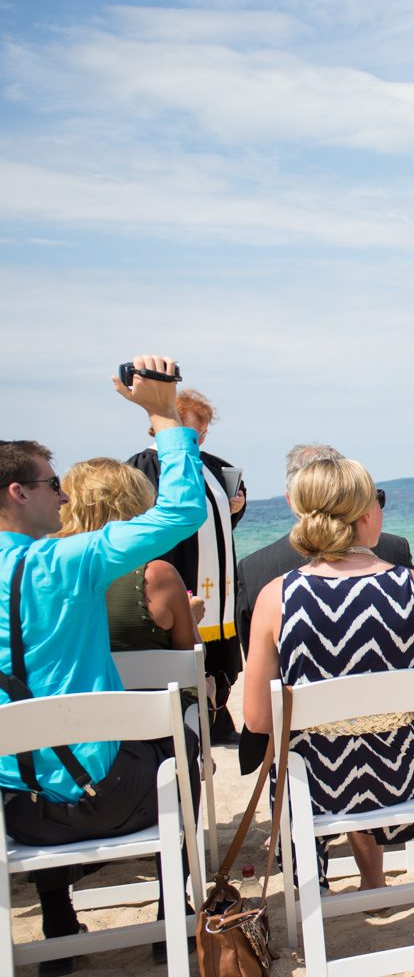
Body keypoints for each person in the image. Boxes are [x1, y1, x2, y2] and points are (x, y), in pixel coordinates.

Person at [2, 355, 205, 974]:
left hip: (18, 817)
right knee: (183, 753)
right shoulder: (60, 564)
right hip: (105, 796)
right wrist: (164, 415)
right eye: (50, 484)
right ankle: (174, 924)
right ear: (18, 492)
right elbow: (179, 514)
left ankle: (58, 921)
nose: (61, 495)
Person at [242, 457, 414, 890]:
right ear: (367, 514)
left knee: (296, 762)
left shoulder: (276, 597)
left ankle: (311, 889)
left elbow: (259, 721)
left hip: (313, 787)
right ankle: (374, 880)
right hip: (399, 778)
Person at [235, 443, 414, 774]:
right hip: (397, 763)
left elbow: (260, 716)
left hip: (308, 770)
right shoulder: (401, 563)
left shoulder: (260, 576)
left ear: (294, 501)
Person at [127, 388, 247, 745]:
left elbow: (223, 520)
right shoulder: (144, 466)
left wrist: (236, 506)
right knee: (186, 649)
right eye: (196, 431)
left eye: (205, 432)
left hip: (219, 578)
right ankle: (194, 721)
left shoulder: (210, 464)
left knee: (222, 655)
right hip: (181, 570)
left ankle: (218, 716)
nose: (201, 438)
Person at [58, 458, 201, 654]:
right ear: (136, 506)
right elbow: (192, 662)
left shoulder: (44, 572)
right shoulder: (157, 577)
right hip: (149, 685)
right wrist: (190, 618)